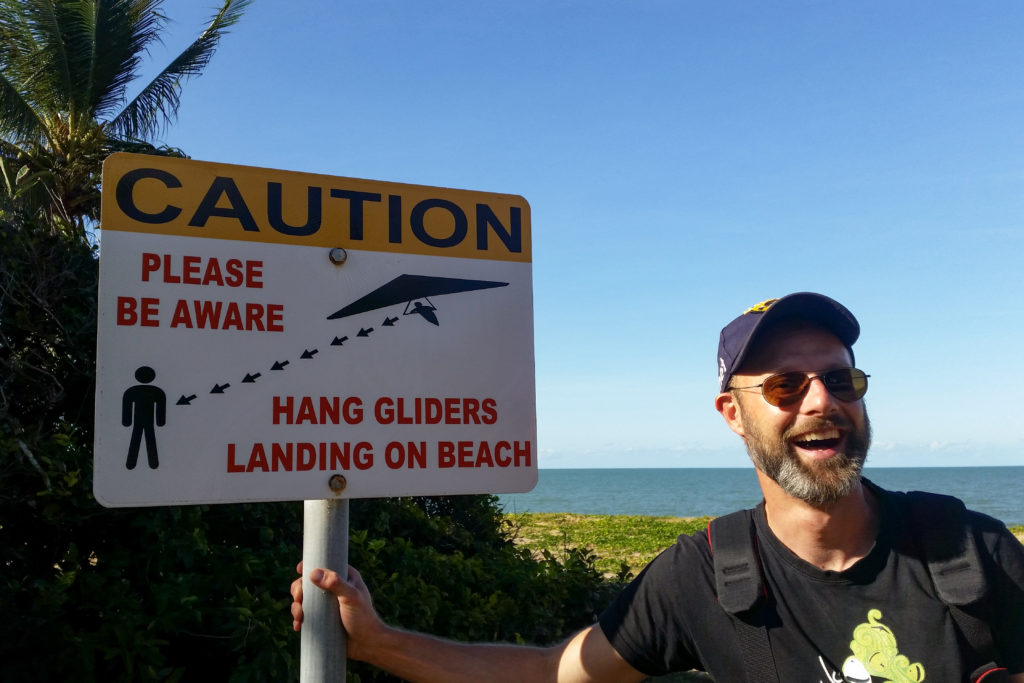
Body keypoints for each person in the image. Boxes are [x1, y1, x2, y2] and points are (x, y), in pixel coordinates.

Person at [290, 293, 1024, 682]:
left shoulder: (973, 550)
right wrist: (380, 644)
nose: (820, 401)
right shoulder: (705, 575)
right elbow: (552, 673)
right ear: (731, 413)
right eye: (785, 385)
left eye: (840, 379)